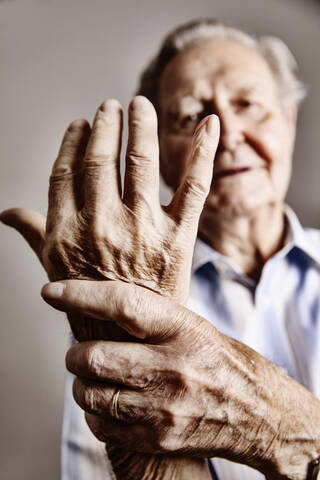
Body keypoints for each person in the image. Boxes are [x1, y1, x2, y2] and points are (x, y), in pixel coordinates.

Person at [2, 18, 320, 480]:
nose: (228, 136)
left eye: (248, 104)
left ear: (289, 122)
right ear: (161, 154)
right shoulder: (125, 308)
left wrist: (281, 428)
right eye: (191, 116)